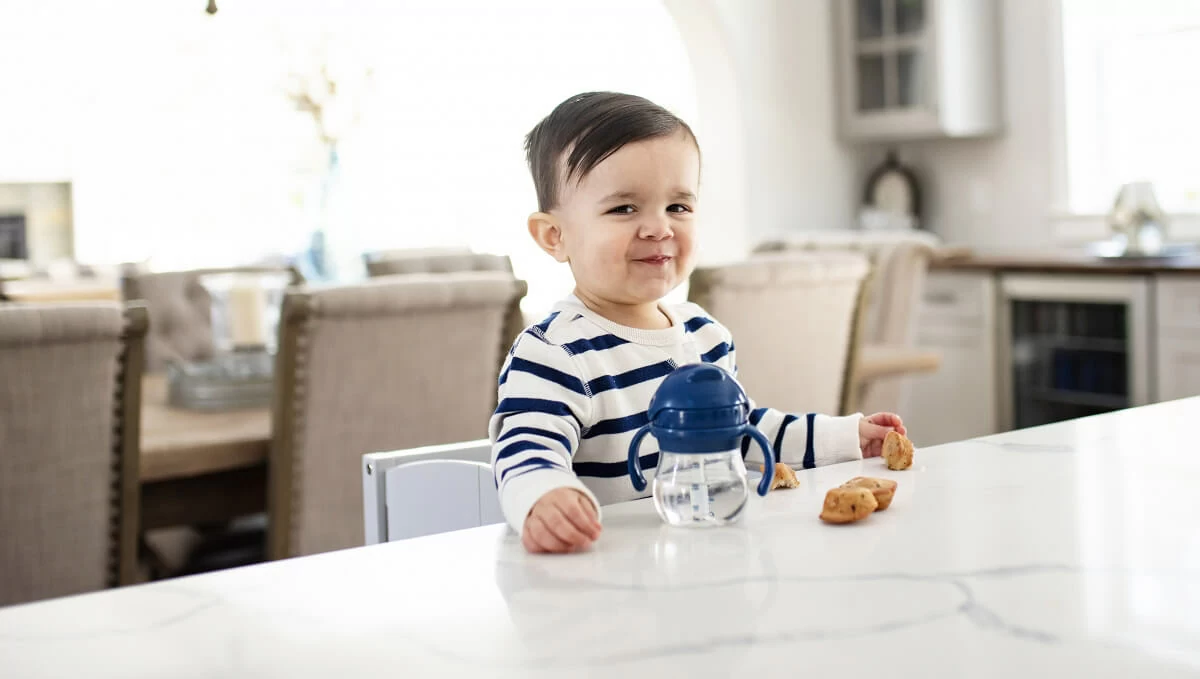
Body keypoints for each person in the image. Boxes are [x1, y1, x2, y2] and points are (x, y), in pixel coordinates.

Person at [491, 92, 906, 554]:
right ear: (555, 236)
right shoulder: (556, 352)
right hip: (604, 575)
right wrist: (544, 498)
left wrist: (845, 436)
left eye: (678, 207)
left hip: (698, 561)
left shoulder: (704, 336)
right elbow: (525, 452)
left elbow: (745, 430)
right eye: (624, 208)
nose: (659, 228)